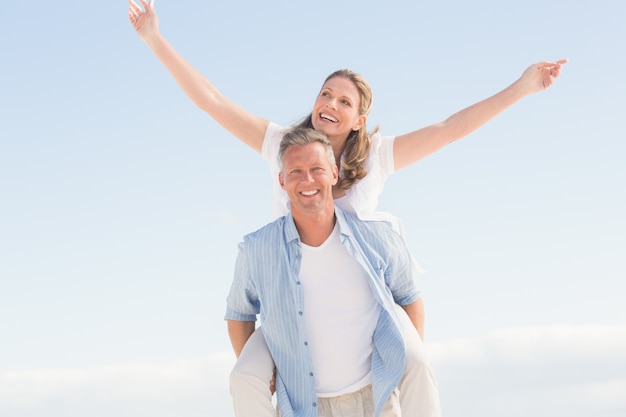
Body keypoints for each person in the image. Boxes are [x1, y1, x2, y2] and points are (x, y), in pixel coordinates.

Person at [128, 1, 566, 415]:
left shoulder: (376, 155)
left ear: (358, 120)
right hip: (291, 293)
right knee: (245, 374)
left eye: (344, 101)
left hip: (360, 297)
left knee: (418, 361)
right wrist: (154, 39)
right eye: (325, 94)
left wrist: (524, 86)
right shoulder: (283, 144)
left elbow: (450, 129)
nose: (330, 104)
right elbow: (212, 102)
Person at [226, 127, 421, 417]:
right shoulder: (257, 249)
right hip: (303, 407)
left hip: (375, 401)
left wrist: (400, 363)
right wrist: (267, 371)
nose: (307, 180)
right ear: (281, 180)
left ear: (333, 173)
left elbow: (409, 299)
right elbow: (240, 314)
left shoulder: (378, 237)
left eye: (316, 169)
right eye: (295, 172)